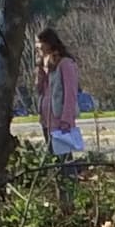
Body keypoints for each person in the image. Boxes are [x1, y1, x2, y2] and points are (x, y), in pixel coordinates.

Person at [33, 27, 86, 207]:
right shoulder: (45, 64)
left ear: (48, 42)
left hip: (59, 120)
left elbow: (71, 93)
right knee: (54, 162)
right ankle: (60, 200)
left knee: (65, 161)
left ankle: (71, 199)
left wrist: (66, 119)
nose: (37, 47)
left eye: (40, 43)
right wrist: (40, 71)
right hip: (46, 119)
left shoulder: (65, 63)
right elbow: (41, 89)